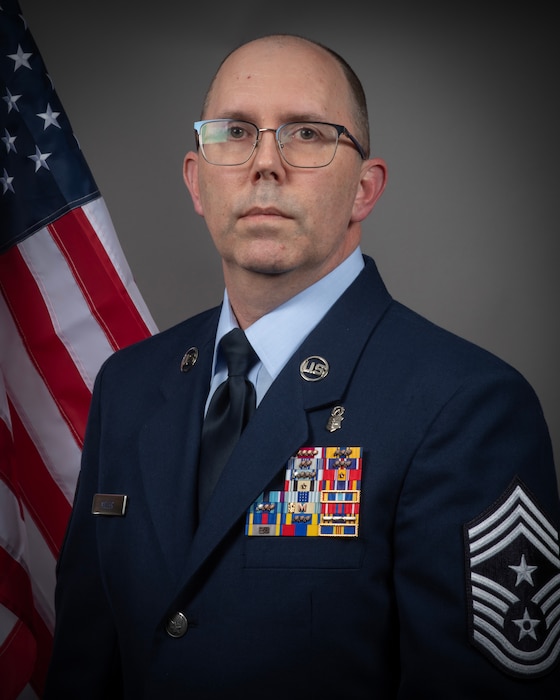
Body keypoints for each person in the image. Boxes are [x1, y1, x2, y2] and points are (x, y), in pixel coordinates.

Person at [44, 34, 560, 698]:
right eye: (235, 132)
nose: (265, 165)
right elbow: (86, 667)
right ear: (198, 182)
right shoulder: (130, 385)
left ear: (365, 189)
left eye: (307, 134)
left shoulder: (464, 406)